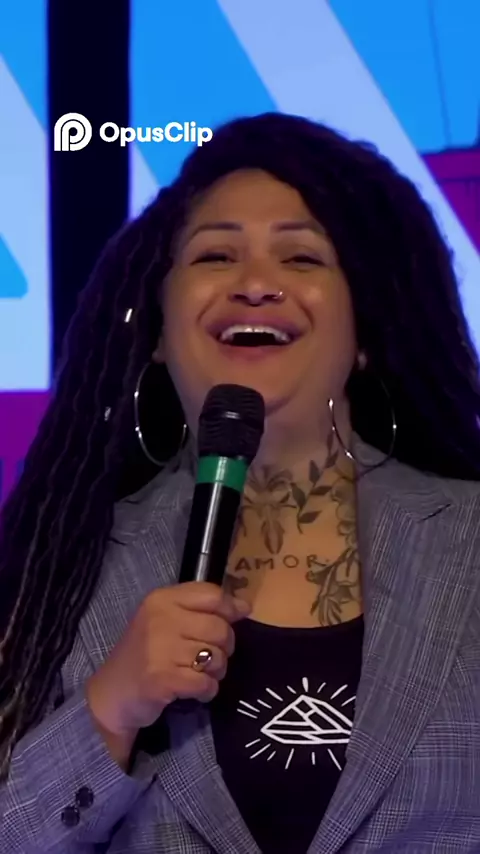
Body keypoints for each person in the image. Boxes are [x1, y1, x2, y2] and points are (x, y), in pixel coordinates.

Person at [1, 112, 480, 854]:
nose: (256, 284)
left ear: (363, 333)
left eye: (301, 258)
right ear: (158, 331)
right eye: (216, 255)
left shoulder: (469, 544)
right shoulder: (61, 568)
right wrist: (110, 710)